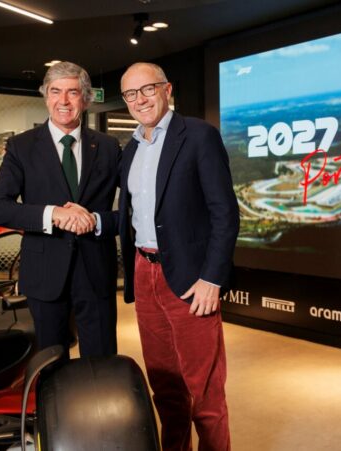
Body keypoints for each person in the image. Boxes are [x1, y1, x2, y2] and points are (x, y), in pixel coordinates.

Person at [100, 62, 239, 451]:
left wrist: (212, 278)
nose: (140, 99)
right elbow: (132, 215)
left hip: (192, 279)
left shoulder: (198, 136)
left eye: (148, 89)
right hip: (144, 274)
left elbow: (225, 213)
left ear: (167, 89)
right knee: (165, 389)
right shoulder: (131, 149)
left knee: (205, 393)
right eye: (131, 94)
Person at [0, 61, 121, 357]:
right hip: (44, 276)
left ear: (86, 98)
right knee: (50, 367)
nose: (63, 101)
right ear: (46, 96)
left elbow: (135, 211)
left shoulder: (109, 147)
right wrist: (53, 214)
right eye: (55, 91)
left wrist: (98, 220)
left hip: (96, 273)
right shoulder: (21, 146)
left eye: (73, 92)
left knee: (102, 368)